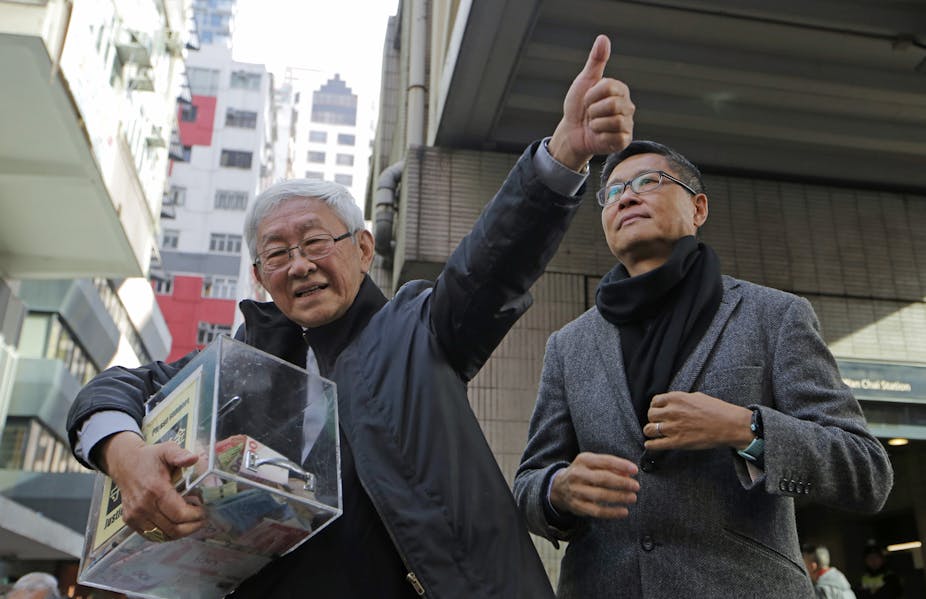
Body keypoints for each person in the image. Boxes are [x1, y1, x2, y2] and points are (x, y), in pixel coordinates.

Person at [65, 35, 635, 599]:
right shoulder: (237, 368)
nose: (300, 266)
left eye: (316, 243)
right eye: (277, 254)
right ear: (260, 278)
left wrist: (562, 155)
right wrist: (125, 453)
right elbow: (117, 386)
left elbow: (491, 263)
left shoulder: (418, 330)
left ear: (363, 249)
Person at [513, 139, 894, 598]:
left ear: (698, 209)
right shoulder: (568, 345)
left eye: (647, 182)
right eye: (611, 193)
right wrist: (558, 489)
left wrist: (747, 429)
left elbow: (867, 471)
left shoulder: (773, 316)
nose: (626, 197)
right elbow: (529, 482)